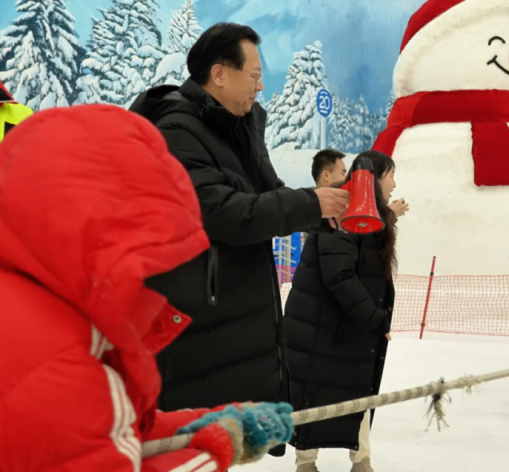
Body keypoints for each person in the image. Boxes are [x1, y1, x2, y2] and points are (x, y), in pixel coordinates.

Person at [0, 105, 294, 472]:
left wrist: (211, 423)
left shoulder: (40, 303)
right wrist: (220, 446)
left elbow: (111, 431)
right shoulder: (63, 359)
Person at [128, 22, 350, 452]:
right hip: (197, 333)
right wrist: (310, 203)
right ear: (219, 74)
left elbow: (267, 195)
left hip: (231, 329)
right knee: (191, 449)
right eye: (254, 75)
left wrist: (324, 211)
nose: (261, 86)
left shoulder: (236, 128)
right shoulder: (177, 131)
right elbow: (223, 213)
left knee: (222, 447)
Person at [284, 151, 397, 472]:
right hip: (321, 327)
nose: (394, 183)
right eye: (390, 175)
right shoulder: (344, 212)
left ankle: (361, 461)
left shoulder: (367, 212)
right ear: (373, 178)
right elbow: (340, 276)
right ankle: (307, 463)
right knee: (317, 392)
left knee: (355, 393)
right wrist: (375, 319)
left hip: (345, 328)